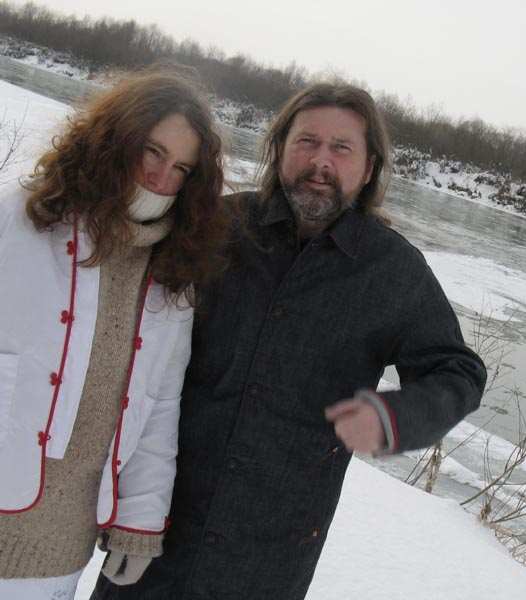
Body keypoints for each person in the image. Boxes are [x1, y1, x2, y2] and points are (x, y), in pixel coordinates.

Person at [92, 83, 487, 600]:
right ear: (279, 148)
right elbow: (126, 300)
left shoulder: (393, 272)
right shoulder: (218, 225)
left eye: (341, 148)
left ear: (369, 168)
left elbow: (458, 372)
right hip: (156, 531)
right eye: (307, 142)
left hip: (268, 562)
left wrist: (396, 417)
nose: (321, 161)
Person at [0, 66, 227, 600]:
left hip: (57, 553)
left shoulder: (173, 277)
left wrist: (140, 523)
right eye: (152, 151)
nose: (161, 177)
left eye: (181, 168)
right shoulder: (22, 218)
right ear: (115, 139)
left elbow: (159, 405)